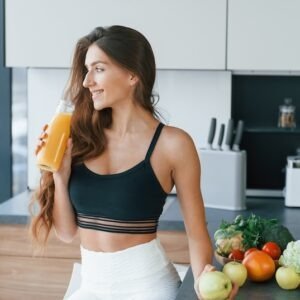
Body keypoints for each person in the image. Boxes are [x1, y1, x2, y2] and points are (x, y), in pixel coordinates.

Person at [31, 25, 238, 300]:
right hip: (90, 289)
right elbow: (68, 232)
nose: (86, 81)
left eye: (99, 69)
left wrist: (204, 283)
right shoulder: (79, 139)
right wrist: (59, 172)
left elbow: (196, 233)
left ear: (132, 75)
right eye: (87, 69)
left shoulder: (173, 144)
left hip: (150, 289)